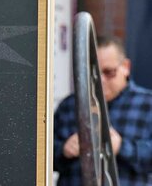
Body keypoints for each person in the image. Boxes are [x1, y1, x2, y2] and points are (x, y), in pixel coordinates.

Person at [54, 35, 152, 185]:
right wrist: (65, 150)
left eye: (109, 72)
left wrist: (122, 147)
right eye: (92, 73)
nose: (101, 81)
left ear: (126, 67)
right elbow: (39, 158)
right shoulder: (69, 105)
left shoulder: (148, 104)